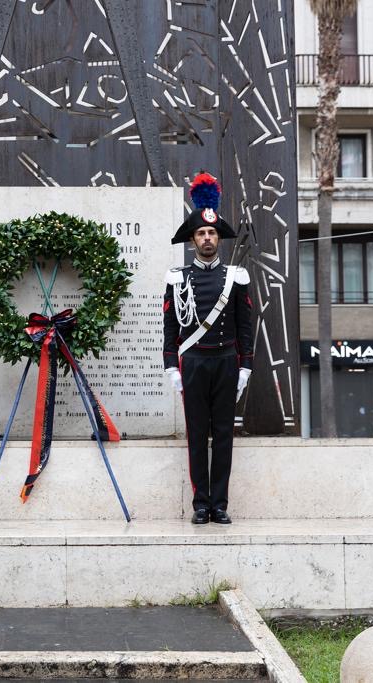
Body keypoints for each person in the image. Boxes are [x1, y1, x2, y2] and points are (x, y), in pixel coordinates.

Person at [163, 173, 253, 525]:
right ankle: (201, 504)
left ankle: (221, 504)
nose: (207, 238)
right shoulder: (177, 277)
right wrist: (172, 366)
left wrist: (245, 366)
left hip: (227, 361)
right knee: (198, 436)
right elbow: (170, 326)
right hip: (195, 362)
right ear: (192, 239)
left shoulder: (236, 276)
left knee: (225, 436)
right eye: (201, 233)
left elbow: (245, 326)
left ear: (219, 238)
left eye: (212, 233)